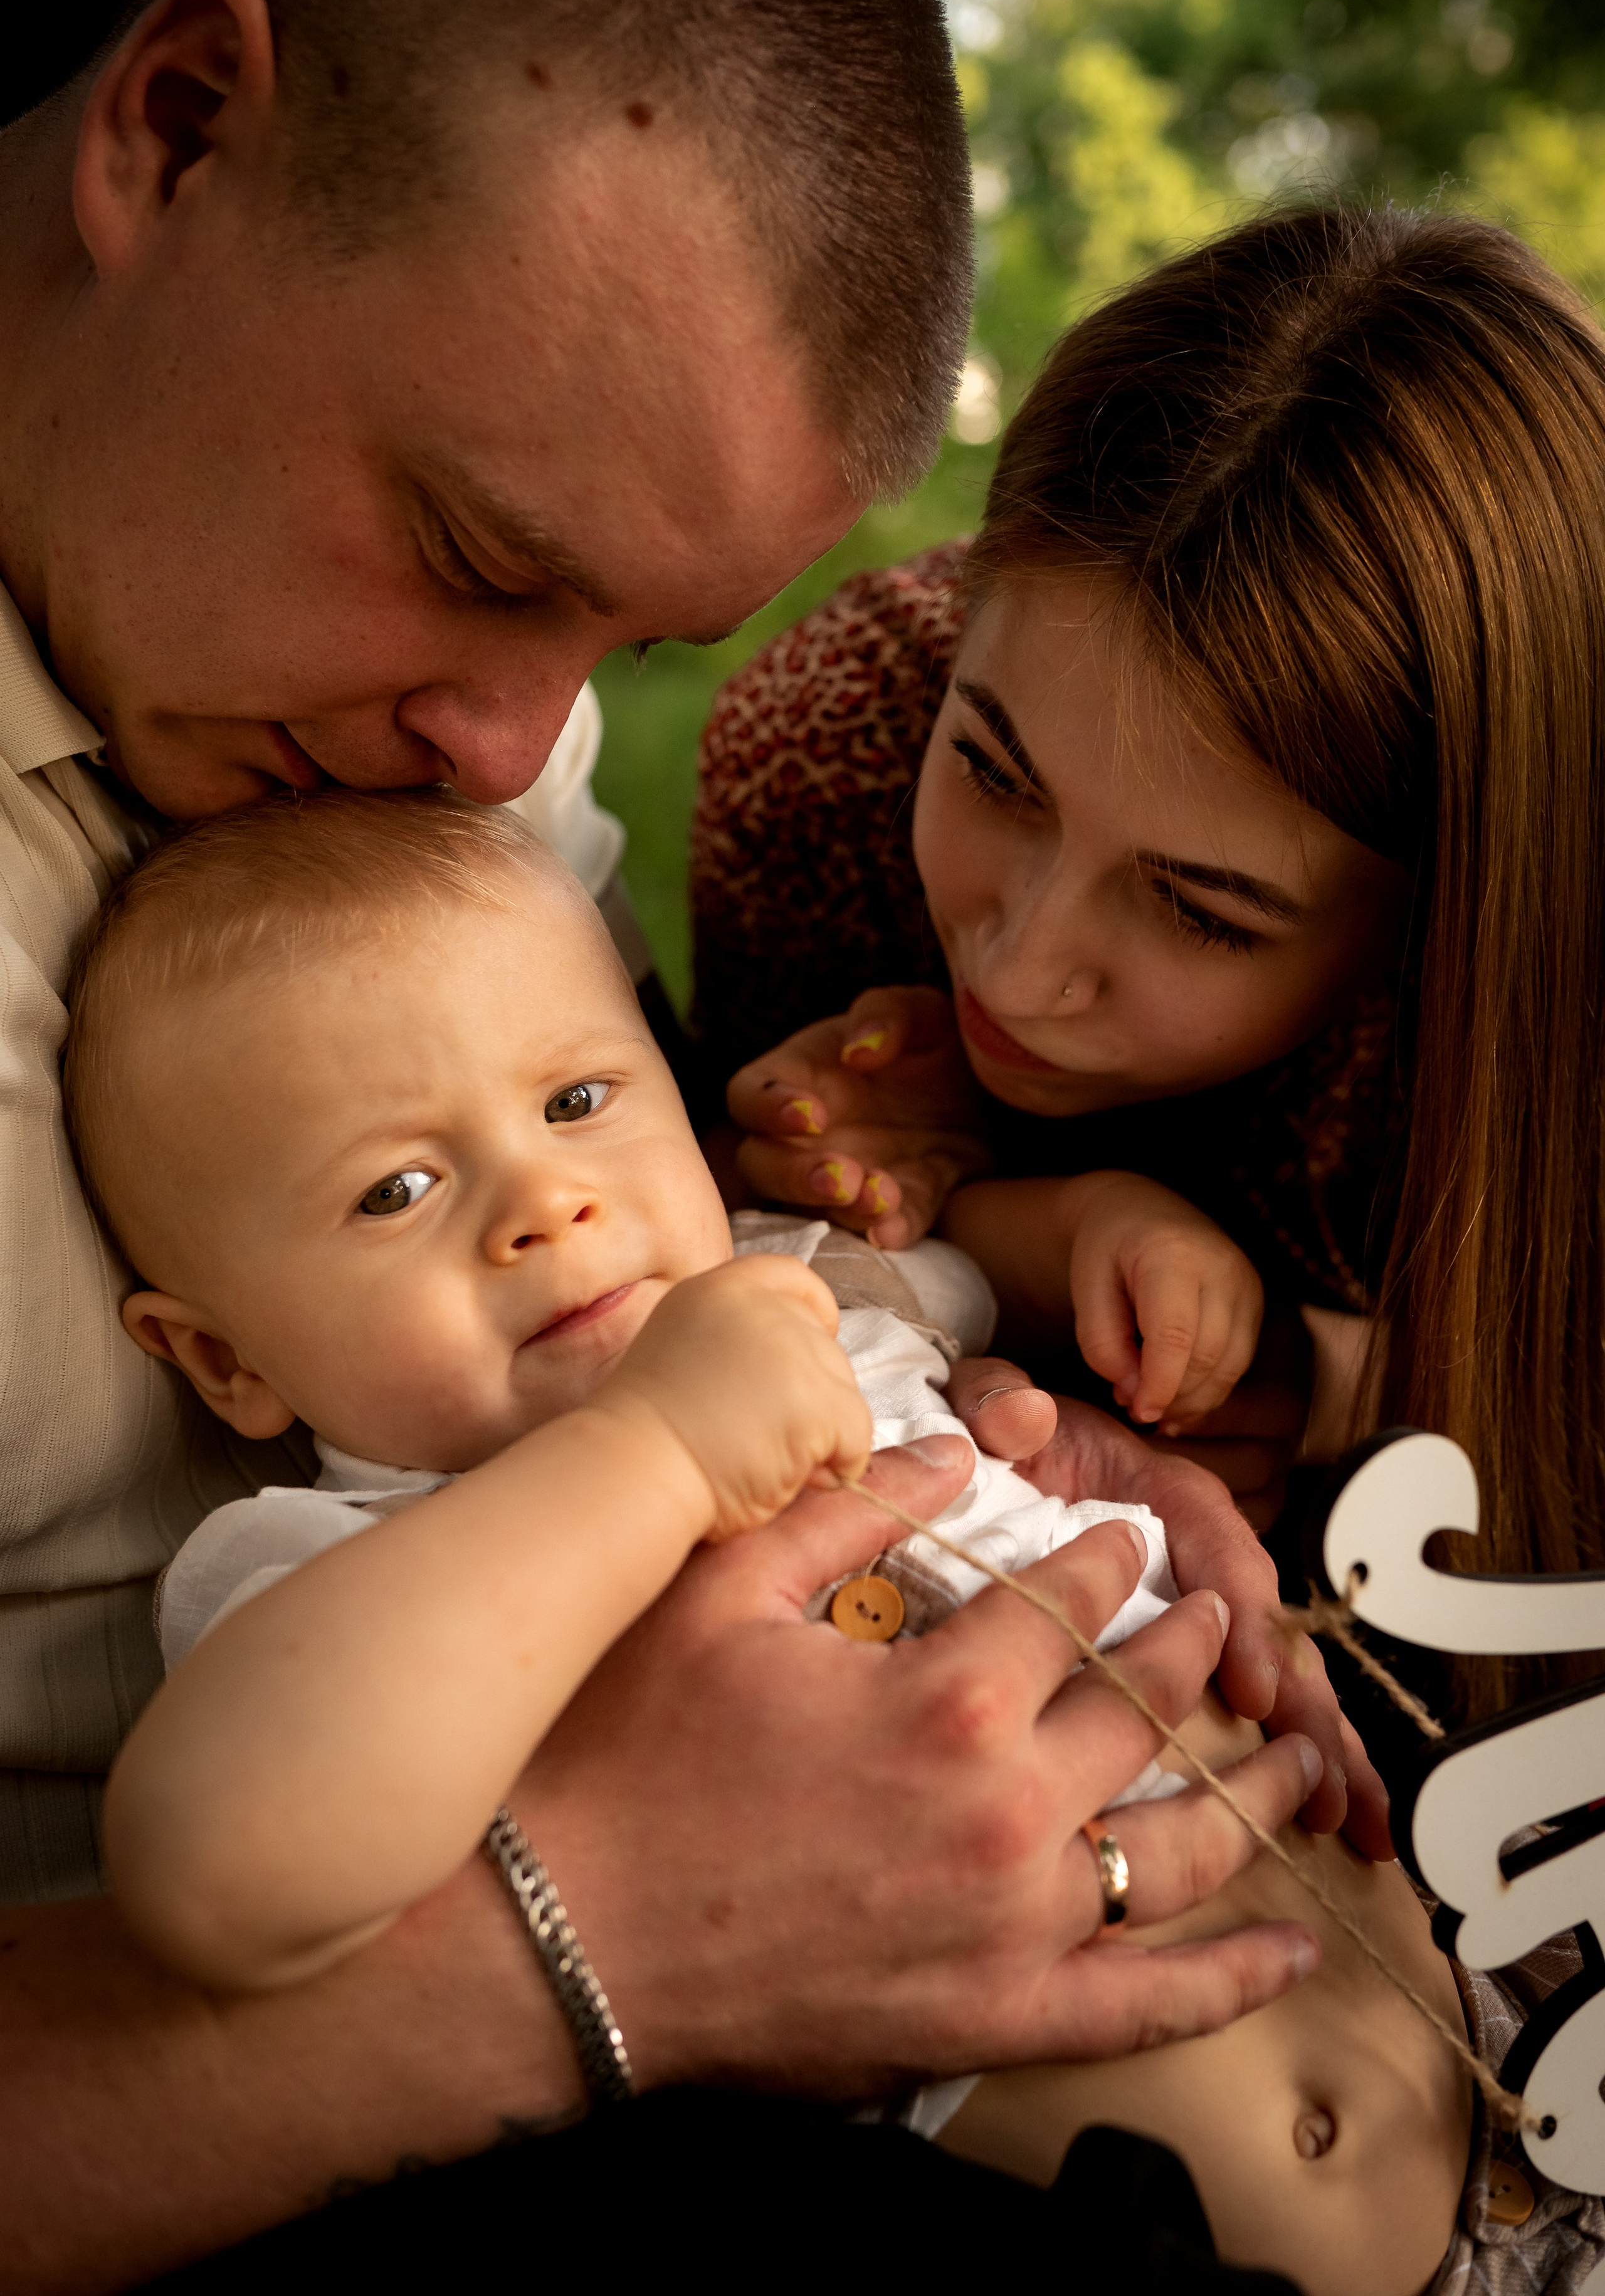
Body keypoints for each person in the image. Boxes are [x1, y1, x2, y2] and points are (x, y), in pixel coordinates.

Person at [0, 0, 1347, 2281]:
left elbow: (723, 1265)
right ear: (176, 130)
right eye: (474, 550)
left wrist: (1033, 1431)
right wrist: (600, 1932)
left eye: (619, 646)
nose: (519, 758)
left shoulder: (375, 708)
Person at [81, 789, 1462, 2296]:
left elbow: (984, 1266)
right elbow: (220, 1867)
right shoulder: (348, 1563)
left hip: (1493, 2046)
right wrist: (649, 1451)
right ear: (226, 1365)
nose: (546, 1201)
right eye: (395, 1188)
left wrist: (1108, 1230)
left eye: (576, 1101)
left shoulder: (796, 1282)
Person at [698, 202, 1605, 1719]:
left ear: (1440, 916)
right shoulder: (828, 752)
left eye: (1201, 909)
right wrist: (982, 1215)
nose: (1021, 965)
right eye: (991, 769)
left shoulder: (1551, 987)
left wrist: (1329, 1382)